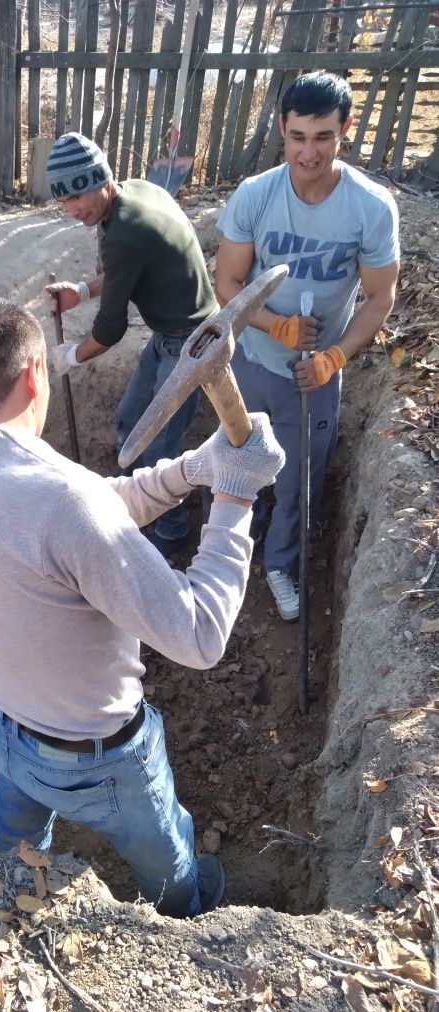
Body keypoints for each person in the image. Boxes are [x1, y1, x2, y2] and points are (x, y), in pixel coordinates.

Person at [0, 298, 285, 917]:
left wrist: (195, 467)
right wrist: (235, 493)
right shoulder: (62, 500)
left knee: (14, 852)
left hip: (6, 727)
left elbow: (87, 516)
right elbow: (200, 637)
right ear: (38, 376)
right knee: (168, 868)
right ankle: (184, 914)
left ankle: (7, 899)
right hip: (101, 761)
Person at [215, 71, 399, 621]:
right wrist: (274, 326)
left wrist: (333, 356)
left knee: (299, 480)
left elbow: (379, 296)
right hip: (250, 364)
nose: (309, 152)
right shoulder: (256, 196)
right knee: (236, 459)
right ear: (282, 130)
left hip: (314, 377)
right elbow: (227, 285)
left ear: (345, 129)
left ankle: (281, 561)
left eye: (323, 137)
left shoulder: (369, 207)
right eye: (298, 137)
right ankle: (228, 547)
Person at [43, 131, 218, 556]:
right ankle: (147, 510)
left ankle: (170, 534)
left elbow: (110, 330)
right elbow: (127, 273)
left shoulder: (124, 231)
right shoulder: (135, 194)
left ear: (100, 179)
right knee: (129, 424)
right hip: (171, 335)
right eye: (64, 202)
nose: (73, 210)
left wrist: (71, 355)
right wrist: (82, 291)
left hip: (192, 343)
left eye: (78, 196)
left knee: (156, 449)